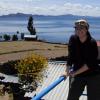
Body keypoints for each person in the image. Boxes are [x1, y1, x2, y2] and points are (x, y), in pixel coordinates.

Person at [63, 19, 100, 100]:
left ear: (86, 29)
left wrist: (74, 73)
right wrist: (66, 71)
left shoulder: (92, 43)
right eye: (77, 28)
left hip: (93, 75)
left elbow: (89, 64)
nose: (79, 30)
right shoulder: (73, 39)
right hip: (78, 74)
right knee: (72, 97)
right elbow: (70, 56)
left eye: (81, 28)